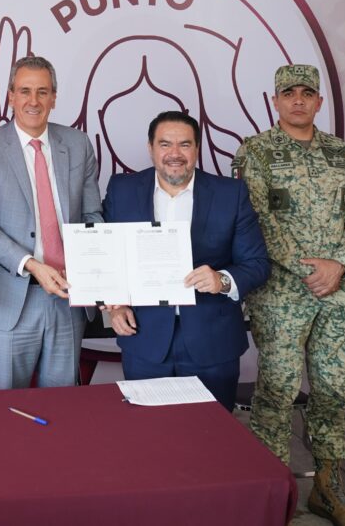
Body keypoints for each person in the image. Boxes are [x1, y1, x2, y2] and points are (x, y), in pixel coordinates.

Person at [232, 64, 345, 526]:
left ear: (319, 101)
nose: (298, 100)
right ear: (275, 101)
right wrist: (308, 269)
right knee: (277, 393)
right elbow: (257, 221)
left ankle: (327, 491)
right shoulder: (255, 152)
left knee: (333, 392)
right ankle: (275, 496)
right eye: (289, 93)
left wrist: (340, 265)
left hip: (336, 294)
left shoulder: (343, 154)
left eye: (306, 93)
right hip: (280, 296)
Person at [103, 111, 269, 411]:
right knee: (149, 432)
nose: (175, 154)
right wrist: (116, 304)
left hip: (213, 341)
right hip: (144, 337)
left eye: (185, 144)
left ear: (197, 148)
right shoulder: (122, 189)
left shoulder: (230, 194)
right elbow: (107, 256)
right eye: (165, 144)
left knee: (212, 433)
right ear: (151, 148)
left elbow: (257, 264)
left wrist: (222, 280)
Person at [0, 54, 103, 390]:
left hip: (68, 297)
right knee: (6, 405)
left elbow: (92, 217)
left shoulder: (78, 144)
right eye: (24, 91)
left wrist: (92, 268)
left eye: (42, 92)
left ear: (54, 98)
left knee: (62, 404)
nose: (33, 101)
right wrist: (33, 265)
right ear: (10, 96)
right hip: (11, 297)